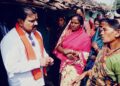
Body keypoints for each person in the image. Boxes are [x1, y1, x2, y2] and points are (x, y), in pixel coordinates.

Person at [0, 6, 54, 86]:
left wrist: (48, 59)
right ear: (20, 22)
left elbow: (42, 52)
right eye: (32, 21)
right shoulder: (10, 39)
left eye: (36, 20)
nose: (36, 23)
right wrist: (38, 63)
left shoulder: (37, 34)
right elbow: (11, 67)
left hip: (39, 81)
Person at [74, 19, 120, 86]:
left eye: (105, 30)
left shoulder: (118, 58)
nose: (101, 33)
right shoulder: (104, 50)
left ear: (117, 33)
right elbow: (97, 72)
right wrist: (85, 73)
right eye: (101, 30)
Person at [53, 15, 91, 86]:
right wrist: (64, 51)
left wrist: (73, 52)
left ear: (81, 24)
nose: (73, 25)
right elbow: (57, 46)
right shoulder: (66, 33)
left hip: (75, 68)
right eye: (72, 22)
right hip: (64, 65)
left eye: (76, 23)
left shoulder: (85, 38)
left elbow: (86, 55)